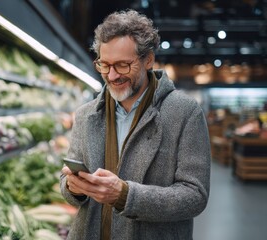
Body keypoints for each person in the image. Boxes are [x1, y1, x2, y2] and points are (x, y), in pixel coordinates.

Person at [60, 9, 211, 240]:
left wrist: (125, 195)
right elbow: (68, 185)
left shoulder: (185, 113)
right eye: (104, 65)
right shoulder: (85, 115)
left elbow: (194, 196)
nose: (111, 76)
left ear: (148, 59)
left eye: (122, 65)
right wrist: (73, 187)